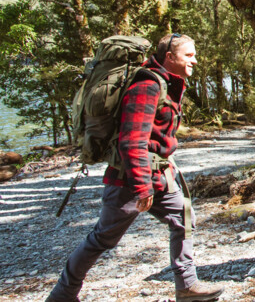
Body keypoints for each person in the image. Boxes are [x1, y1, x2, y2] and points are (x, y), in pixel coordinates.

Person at [47, 34, 223, 302]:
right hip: (129, 180)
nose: (195, 61)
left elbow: (155, 138)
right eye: (189, 55)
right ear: (169, 57)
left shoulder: (167, 83)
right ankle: (63, 293)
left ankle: (187, 286)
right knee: (103, 239)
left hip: (159, 175)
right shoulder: (147, 86)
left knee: (184, 220)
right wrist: (142, 187)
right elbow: (132, 141)